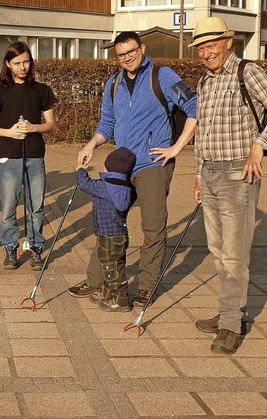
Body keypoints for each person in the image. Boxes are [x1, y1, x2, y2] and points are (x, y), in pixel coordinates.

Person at [67, 31, 198, 306]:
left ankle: (146, 287)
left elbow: (195, 105)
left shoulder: (162, 76)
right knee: (108, 225)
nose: (127, 57)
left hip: (153, 164)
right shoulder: (113, 83)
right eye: (122, 54)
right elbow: (107, 124)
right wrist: (91, 144)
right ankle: (96, 279)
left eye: (132, 51)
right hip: (122, 166)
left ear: (142, 48)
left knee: (152, 227)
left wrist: (177, 148)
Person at [189, 17, 266, 354]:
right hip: (210, 174)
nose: (206, 53)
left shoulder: (246, 72)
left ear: (227, 42)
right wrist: (197, 175)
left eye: (211, 45)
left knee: (234, 255)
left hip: (239, 175)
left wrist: (260, 143)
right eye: (200, 48)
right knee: (218, 250)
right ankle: (232, 311)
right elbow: (202, 133)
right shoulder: (205, 83)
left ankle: (231, 326)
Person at [0, 41, 56, 270]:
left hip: (35, 156)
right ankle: (10, 247)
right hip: (9, 156)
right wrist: (10, 132)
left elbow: (51, 124)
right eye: (17, 63)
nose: (22, 67)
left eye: (26, 62)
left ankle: (36, 247)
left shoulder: (42, 90)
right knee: (8, 206)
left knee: (36, 206)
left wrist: (34, 128)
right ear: (8, 64)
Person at [76, 147, 136, 312]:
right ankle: (109, 292)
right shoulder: (127, 187)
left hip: (107, 235)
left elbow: (84, 184)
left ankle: (121, 299)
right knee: (117, 263)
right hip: (121, 234)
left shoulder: (104, 186)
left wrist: (81, 169)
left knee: (110, 266)